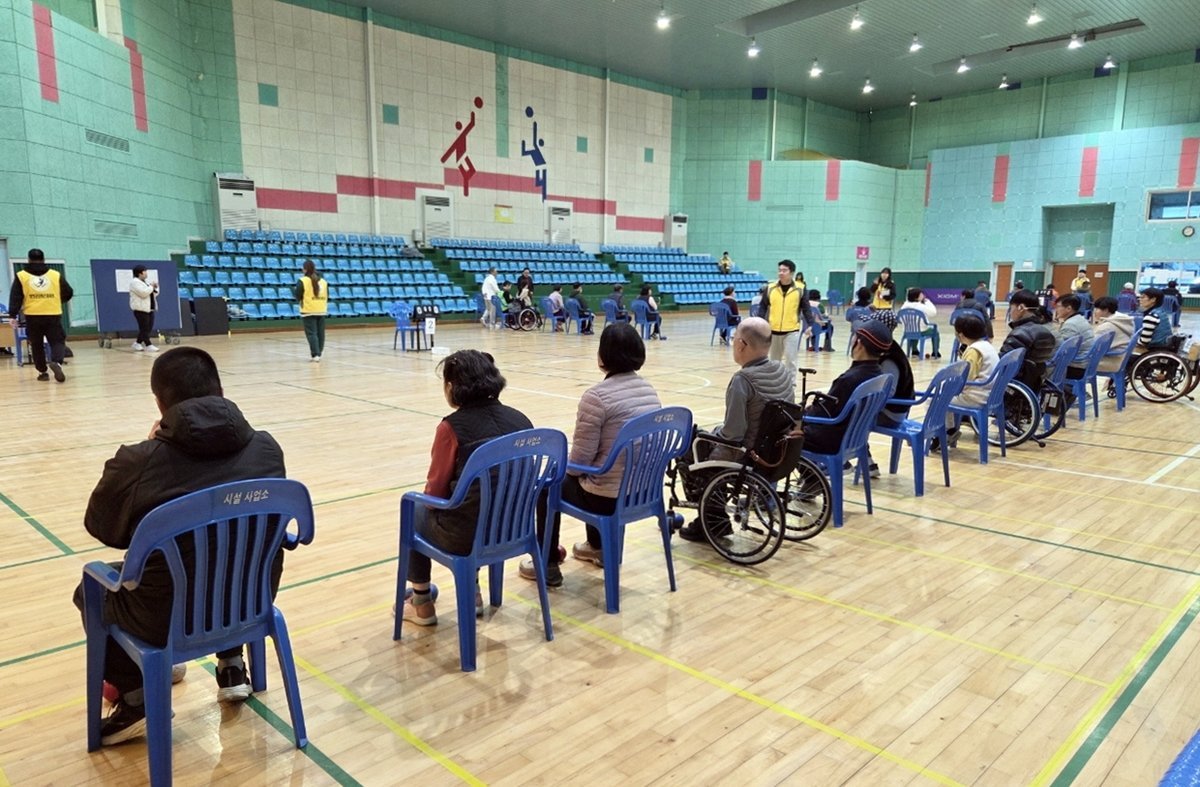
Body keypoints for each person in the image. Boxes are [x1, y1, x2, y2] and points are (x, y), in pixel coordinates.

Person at [75, 347, 287, 744]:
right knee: (229, 555)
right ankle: (232, 664)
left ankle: (136, 698)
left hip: (165, 616)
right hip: (249, 600)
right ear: (220, 390)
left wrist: (149, 450)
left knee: (90, 591)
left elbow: (102, 528)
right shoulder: (268, 449)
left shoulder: (139, 461)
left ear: (160, 402)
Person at [401, 350, 533, 623]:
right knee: (477, 504)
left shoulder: (451, 428)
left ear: (451, 387)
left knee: (413, 509)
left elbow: (434, 493)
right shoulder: (521, 420)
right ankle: (472, 592)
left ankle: (421, 602)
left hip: (467, 536)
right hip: (514, 529)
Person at [522, 324, 660, 582]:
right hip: (642, 492)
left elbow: (579, 463)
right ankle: (597, 547)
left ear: (603, 355)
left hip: (608, 498)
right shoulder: (648, 391)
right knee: (596, 472)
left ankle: (547, 562)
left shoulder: (596, 397)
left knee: (549, 485)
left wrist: (560, 469)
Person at [677, 317, 793, 541]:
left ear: (741, 344)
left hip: (746, 454)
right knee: (710, 435)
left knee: (689, 447)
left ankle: (711, 521)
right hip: (774, 449)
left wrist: (711, 437)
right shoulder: (781, 370)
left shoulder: (743, 380)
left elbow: (733, 434)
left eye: (734, 339)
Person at [802, 318, 893, 455]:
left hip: (832, 439)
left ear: (859, 344)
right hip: (855, 438)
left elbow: (824, 413)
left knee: (781, 431)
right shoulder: (879, 375)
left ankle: (806, 468)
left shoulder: (849, 380)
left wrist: (801, 413)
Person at [7, 248, 73, 383]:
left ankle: (42, 372)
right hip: (52, 313)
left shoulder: (21, 276)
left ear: (28, 260)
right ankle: (57, 362)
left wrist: (12, 315)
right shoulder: (55, 275)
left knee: (36, 344)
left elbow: (16, 296)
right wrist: (56, 300)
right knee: (57, 341)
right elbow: (68, 292)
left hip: (33, 315)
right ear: (43, 259)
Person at [935, 313, 998, 451]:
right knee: (944, 396)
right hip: (991, 394)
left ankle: (945, 432)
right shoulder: (987, 346)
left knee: (935, 399)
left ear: (961, 335)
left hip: (976, 397)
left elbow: (966, 378)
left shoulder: (973, 351)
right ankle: (950, 430)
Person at [865, 310, 912, 478]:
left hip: (891, 413)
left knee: (854, 417)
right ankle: (865, 461)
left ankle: (863, 462)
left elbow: (887, 393)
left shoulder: (890, 358)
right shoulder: (888, 348)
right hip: (894, 409)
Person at [1000, 289, 1057, 391]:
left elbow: (1003, 365)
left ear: (1021, 308)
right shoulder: (1046, 331)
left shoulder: (1020, 334)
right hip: (1034, 385)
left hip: (1014, 387)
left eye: (1011, 308)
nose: (1010, 312)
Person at [765, 259, 806, 371]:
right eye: (779, 270)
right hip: (773, 330)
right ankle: (775, 381)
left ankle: (791, 382)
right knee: (774, 361)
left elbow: (806, 307)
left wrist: (810, 324)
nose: (781, 273)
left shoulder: (800, 288)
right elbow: (763, 307)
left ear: (791, 273)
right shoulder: (770, 287)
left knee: (791, 361)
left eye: (784, 270)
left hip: (792, 330)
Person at [1051, 294, 1095, 382]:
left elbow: (1060, 351)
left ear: (1068, 308)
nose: (1056, 310)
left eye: (1058, 306)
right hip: (1084, 363)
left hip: (1075, 367)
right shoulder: (1080, 319)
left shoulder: (1070, 325)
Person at [1091, 296, 1135, 373]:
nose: (1094, 312)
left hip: (1109, 362)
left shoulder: (1106, 327)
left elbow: (1093, 347)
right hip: (1120, 359)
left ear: (1106, 310)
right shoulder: (1123, 320)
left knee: (1074, 362)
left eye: (1097, 309)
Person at [295, 259, 327, 361]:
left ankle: (315, 354)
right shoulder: (323, 281)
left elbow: (298, 295)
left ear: (305, 269)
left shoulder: (302, 281)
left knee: (311, 333)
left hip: (308, 310)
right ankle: (319, 353)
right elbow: (327, 295)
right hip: (321, 309)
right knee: (320, 333)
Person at [898, 287, 941, 358]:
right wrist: (927, 302)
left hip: (907, 331)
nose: (923, 295)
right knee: (935, 332)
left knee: (914, 330)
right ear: (916, 297)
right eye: (921, 294)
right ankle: (935, 352)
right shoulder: (920, 306)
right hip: (922, 331)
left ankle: (914, 350)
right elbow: (933, 313)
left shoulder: (904, 306)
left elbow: (899, 320)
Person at [128, 265, 159, 352]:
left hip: (149, 308)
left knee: (148, 328)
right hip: (140, 309)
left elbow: (152, 294)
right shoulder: (134, 282)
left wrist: (154, 288)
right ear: (140, 273)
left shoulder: (144, 282)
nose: (146, 273)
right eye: (145, 271)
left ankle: (137, 343)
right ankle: (148, 345)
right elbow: (143, 293)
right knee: (144, 328)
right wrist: (151, 287)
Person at [1135, 287, 1173, 353]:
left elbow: (1144, 341)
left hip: (1155, 349)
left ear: (1153, 299)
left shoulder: (1151, 316)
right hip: (1165, 346)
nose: (1139, 299)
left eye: (1143, 297)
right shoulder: (1161, 312)